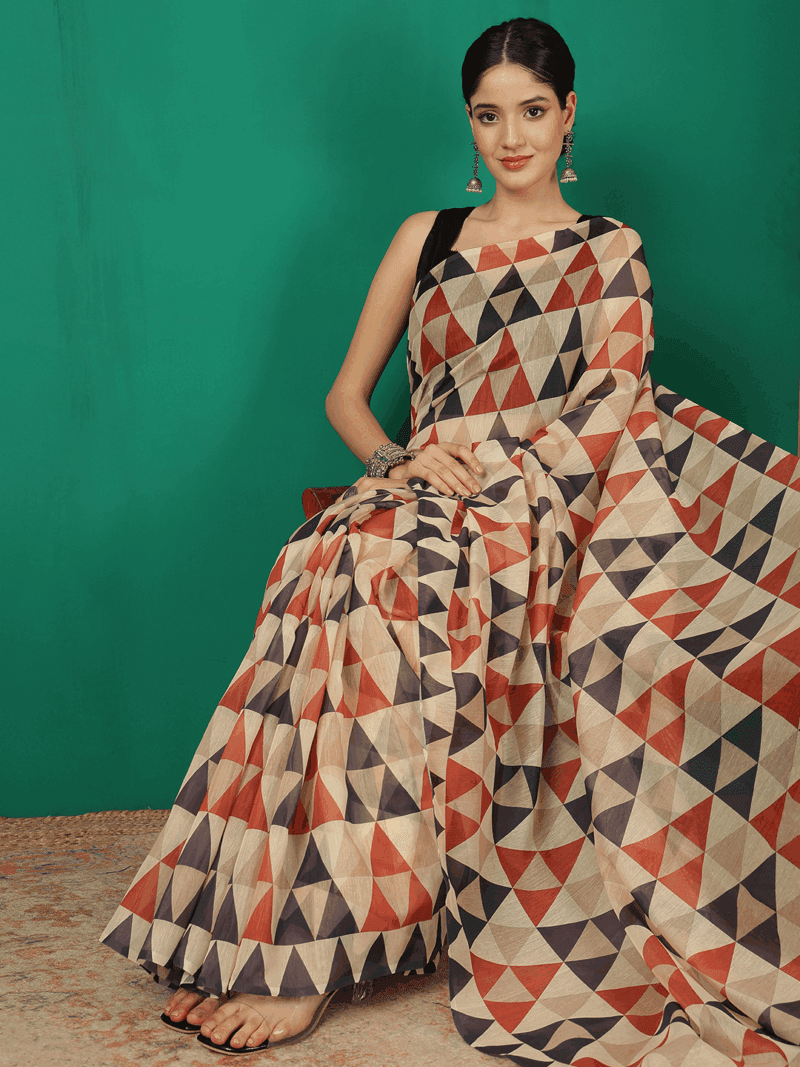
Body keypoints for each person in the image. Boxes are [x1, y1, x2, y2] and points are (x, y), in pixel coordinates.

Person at [100, 17, 800, 1066]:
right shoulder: (425, 238)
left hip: (544, 502)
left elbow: (606, 412)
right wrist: (401, 460)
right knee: (323, 562)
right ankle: (261, 922)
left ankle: (311, 955)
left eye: (532, 112)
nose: (510, 138)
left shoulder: (608, 250)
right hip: (419, 488)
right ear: (467, 123)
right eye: (487, 115)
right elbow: (345, 397)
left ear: (568, 116)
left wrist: (497, 478)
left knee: (392, 573)